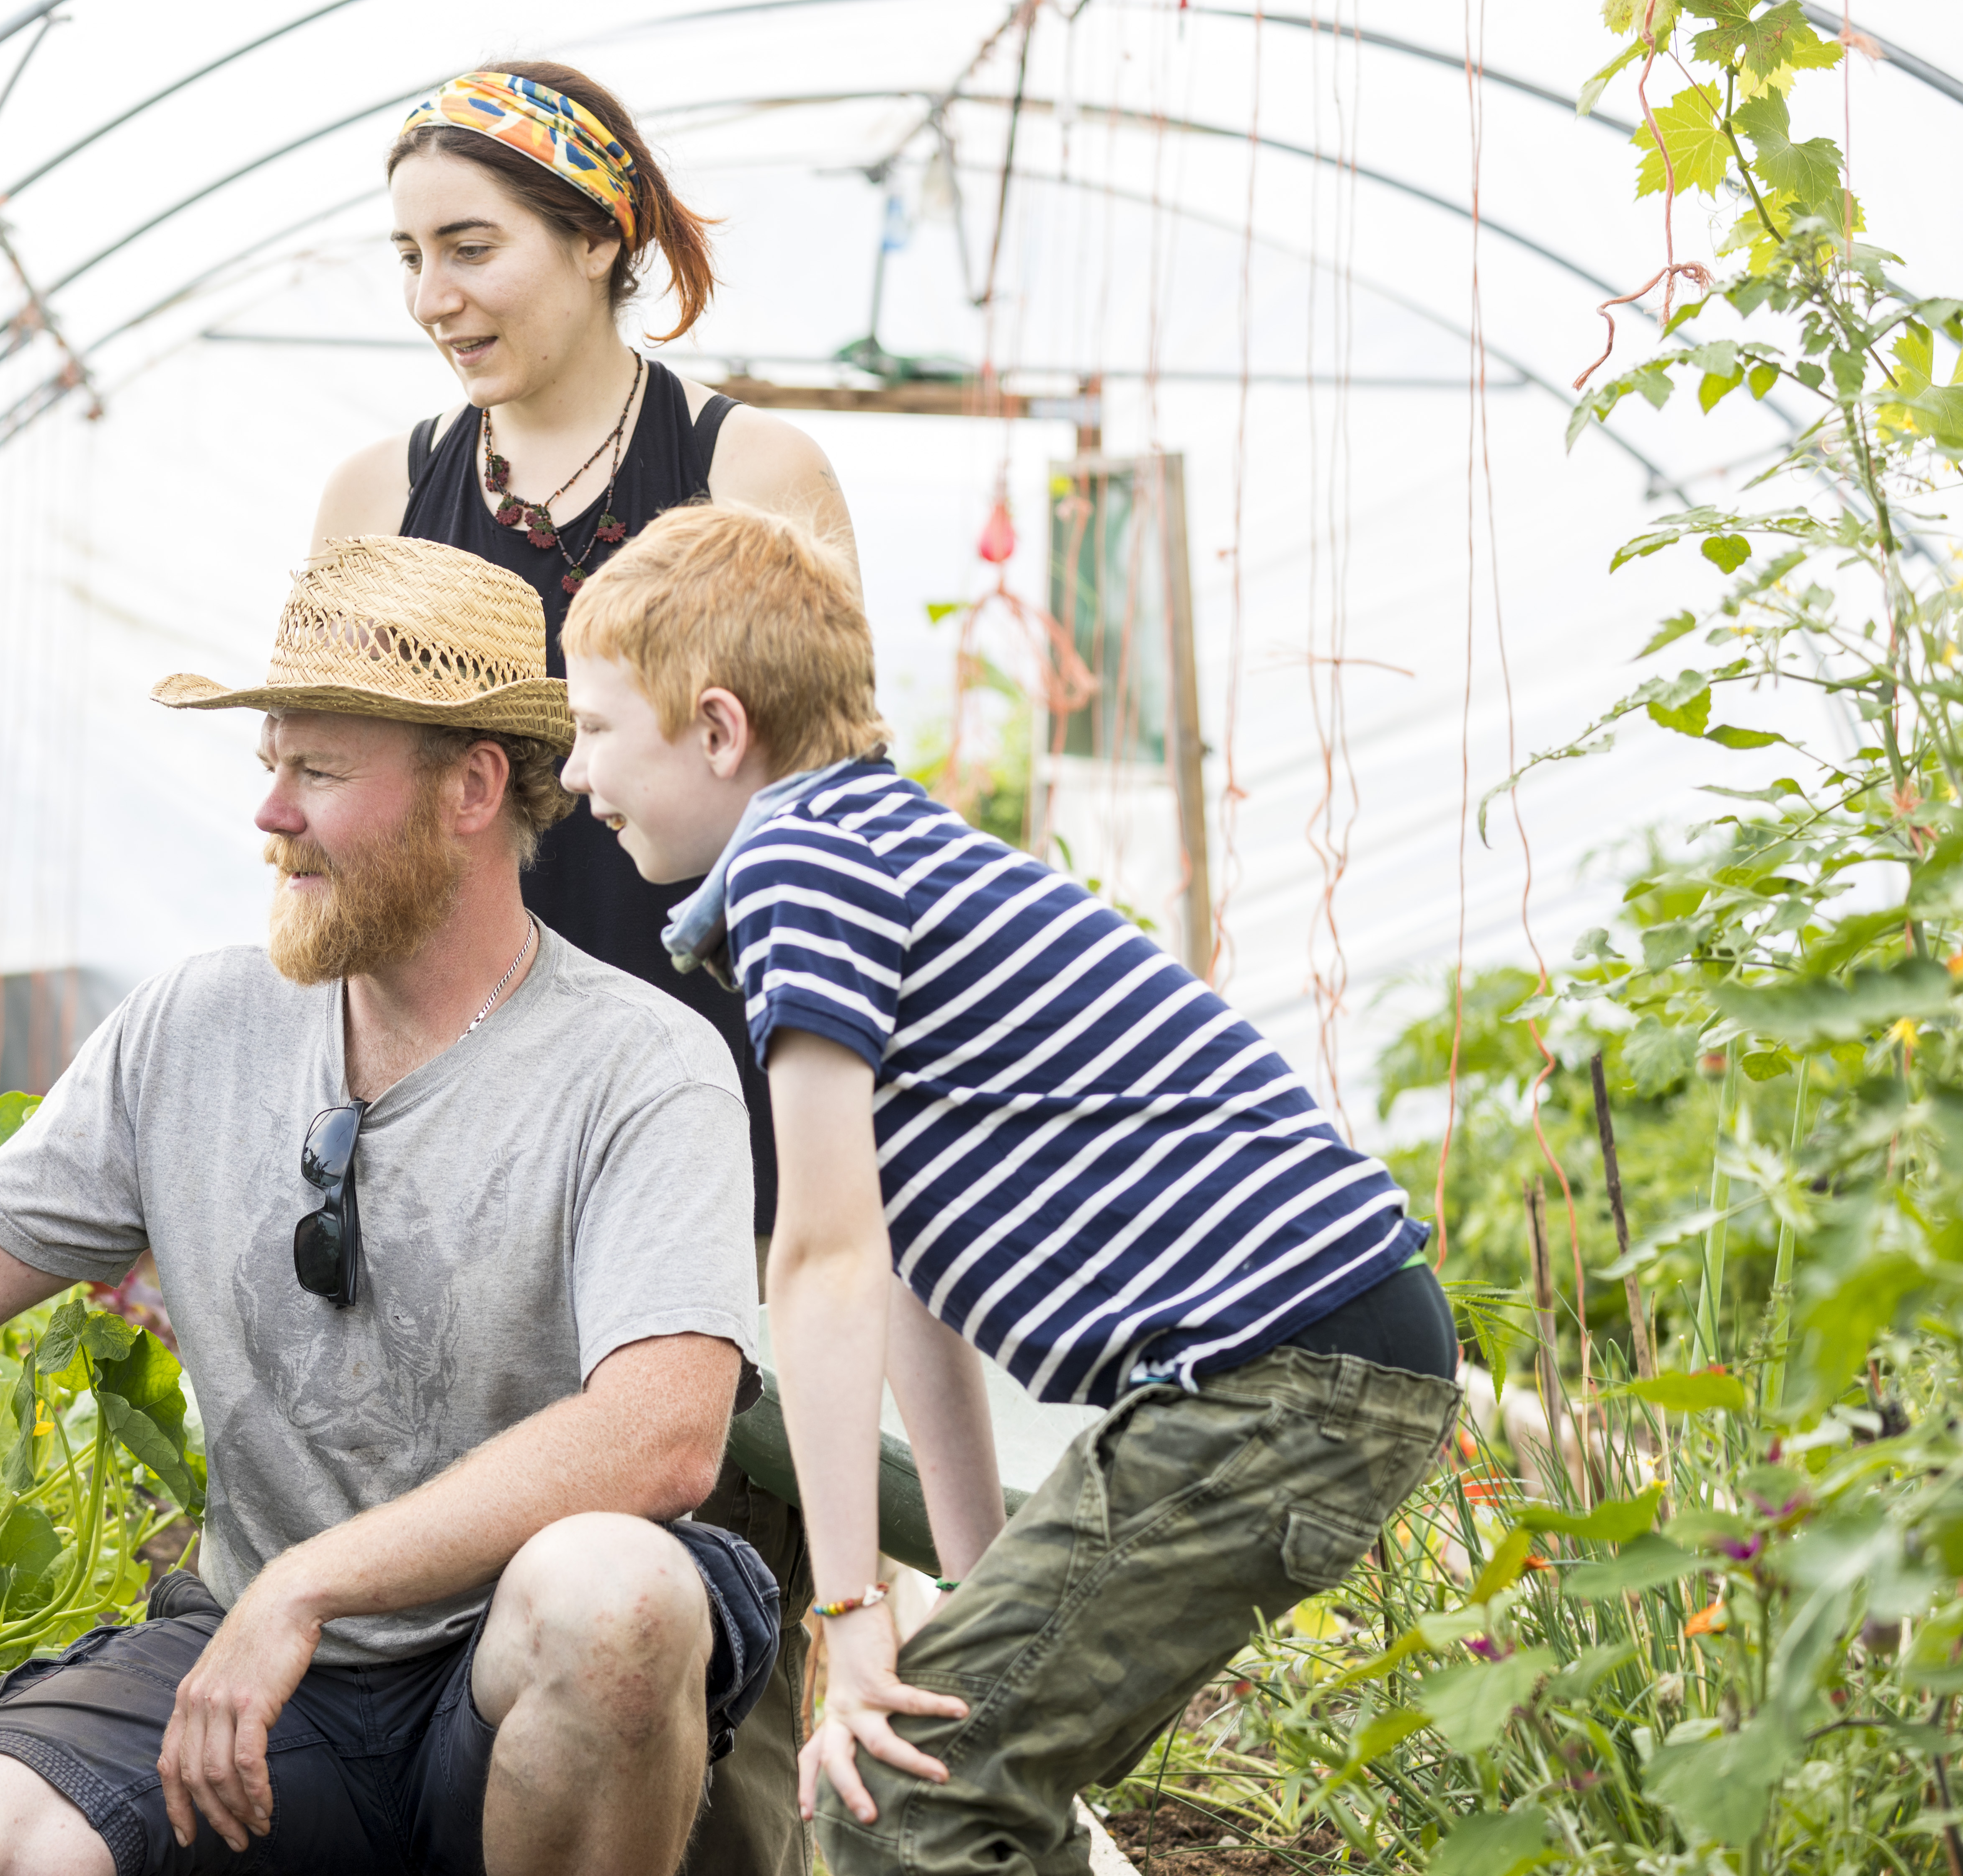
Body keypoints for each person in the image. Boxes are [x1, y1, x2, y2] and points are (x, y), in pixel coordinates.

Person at [0, 536, 780, 1876]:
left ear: (473, 788)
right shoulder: (199, 1025)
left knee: (617, 1598)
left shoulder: (639, 1065)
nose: (270, 814)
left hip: (497, 1680)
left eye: (318, 771)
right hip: (258, 1681)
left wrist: (308, 1585)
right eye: (270, 765)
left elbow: (663, 1437)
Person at [555, 502, 1465, 1876]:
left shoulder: (801, 864)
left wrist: (851, 1606)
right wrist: (977, 1583)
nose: (574, 774)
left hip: (1286, 1373)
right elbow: (915, 1266)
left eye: (597, 730)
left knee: (901, 1792)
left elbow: (825, 1258)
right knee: (952, 1769)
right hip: (1314, 1362)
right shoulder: (865, 847)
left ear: (720, 730)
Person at [310, 65, 848, 1871]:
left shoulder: (747, 469)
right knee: (468, 1551)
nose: (434, 295)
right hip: (461, 1102)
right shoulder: (380, 491)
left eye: (472, 247)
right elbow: (330, 814)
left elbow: (830, 819)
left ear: (601, 238)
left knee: (710, 1561)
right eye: (405, 256)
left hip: (710, 1093)